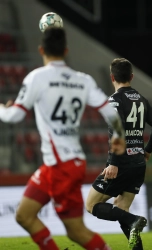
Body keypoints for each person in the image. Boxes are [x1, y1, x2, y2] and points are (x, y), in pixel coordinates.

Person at [0, 27, 126, 250]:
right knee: (24, 215)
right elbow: (111, 112)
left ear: (41, 50)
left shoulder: (37, 77)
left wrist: (1, 108)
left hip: (62, 167)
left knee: (76, 230)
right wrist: (118, 135)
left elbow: (14, 116)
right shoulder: (83, 80)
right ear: (66, 50)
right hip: (59, 164)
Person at [85, 58, 152, 250]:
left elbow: (117, 130)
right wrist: (147, 151)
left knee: (91, 204)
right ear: (132, 77)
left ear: (112, 77)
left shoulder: (114, 101)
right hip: (138, 163)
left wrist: (113, 162)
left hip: (120, 162)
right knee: (121, 208)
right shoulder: (142, 100)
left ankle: (135, 219)